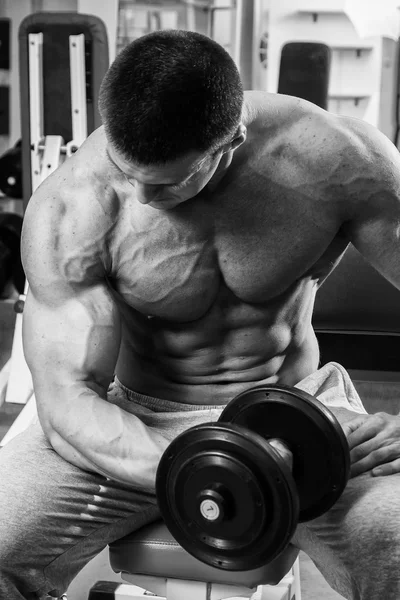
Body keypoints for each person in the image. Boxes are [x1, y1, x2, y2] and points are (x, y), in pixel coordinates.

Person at [1, 29, 400, 600]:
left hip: (300, 419)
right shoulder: (74, 204)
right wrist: (212, 464)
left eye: (162, 182)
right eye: (124, 165)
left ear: (229, 141)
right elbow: (67, 399)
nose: (136, 195)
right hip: (136, 426)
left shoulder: (337, 161)